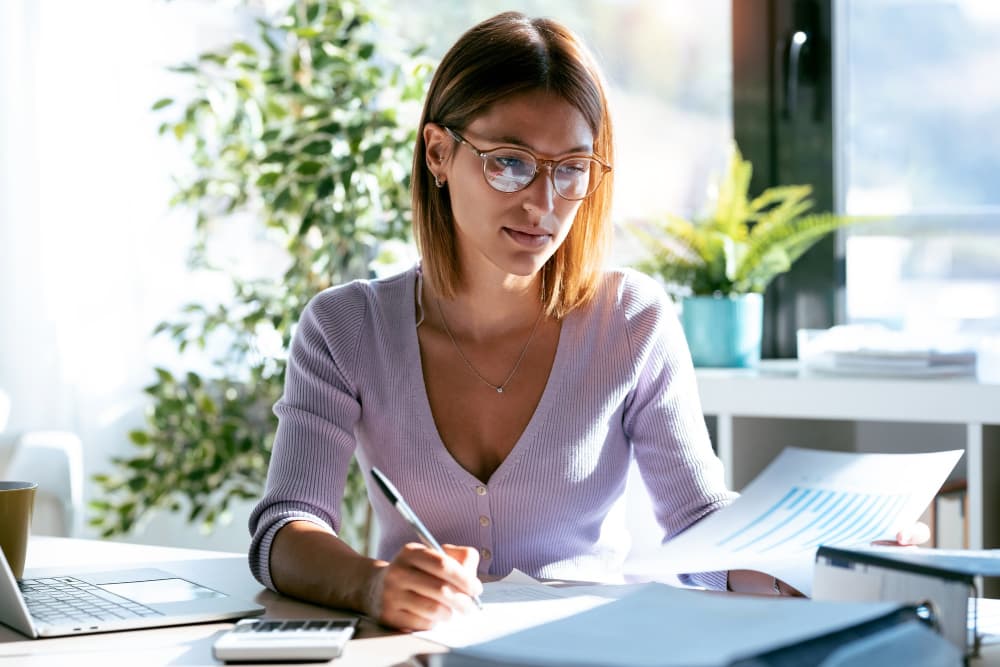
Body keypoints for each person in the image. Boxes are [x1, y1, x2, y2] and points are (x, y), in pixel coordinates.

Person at [248, 11, 926, 631]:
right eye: (509, 162)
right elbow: (284, 526)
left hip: (592, 646)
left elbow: (699, 525)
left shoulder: (632, 321)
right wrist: (373, 585)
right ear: (437, 154)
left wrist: (826, 562)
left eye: (571, 169)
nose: (543, 202)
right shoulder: (345, 327)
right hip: (414, 649)